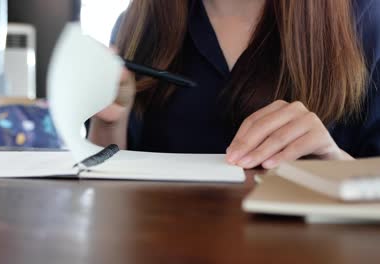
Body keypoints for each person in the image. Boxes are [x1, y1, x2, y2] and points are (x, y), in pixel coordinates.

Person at [88, 0, 380, 169]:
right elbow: (109, 187)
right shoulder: (137, 26)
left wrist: (337, 166)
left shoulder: (367, 21)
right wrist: (110, 122)